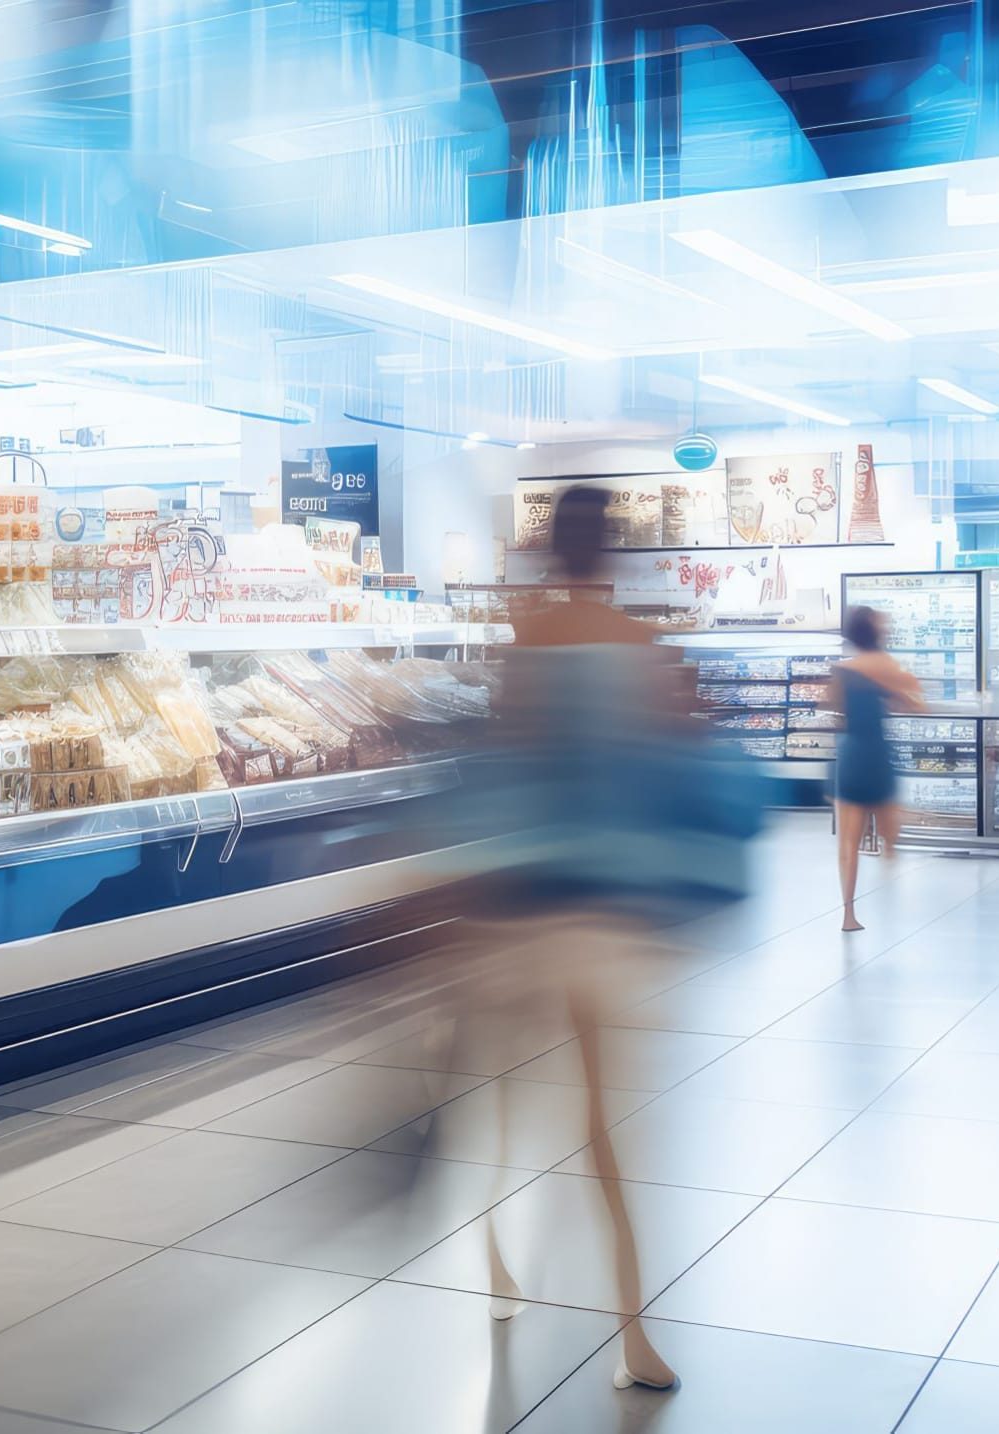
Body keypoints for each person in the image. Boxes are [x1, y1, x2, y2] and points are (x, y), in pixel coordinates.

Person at [438, 483, 755, 1394]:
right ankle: (633, 1336)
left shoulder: (526, 647)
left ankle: (499, 1267)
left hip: (523, 908)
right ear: (612, 555)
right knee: (608, 1124)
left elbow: (504, 769)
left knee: (501, 1098)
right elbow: (683, 766)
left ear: (549, 555)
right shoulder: (644, 649)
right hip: (611, 916)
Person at [826, 605, 926, 931]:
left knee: (847, 844)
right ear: (874, 630)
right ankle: (887, 848)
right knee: (890, 832)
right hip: (877, 751)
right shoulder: (887, 664)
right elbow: (916, 703)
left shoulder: (841, 669)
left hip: (849, 754)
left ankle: (848, 915)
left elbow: (831, 707)